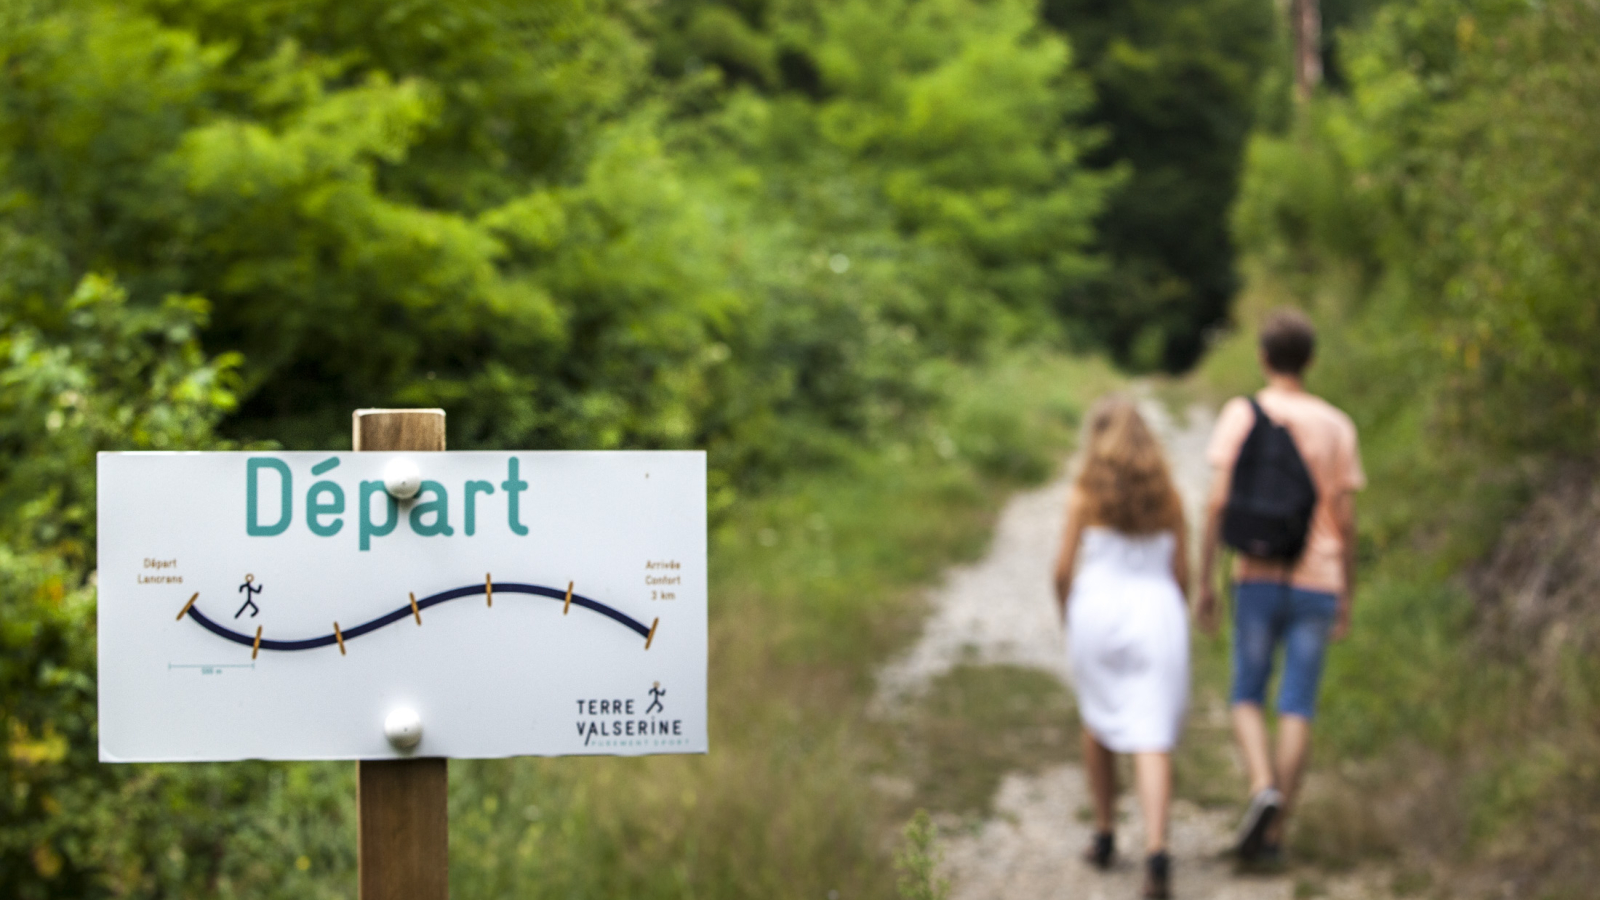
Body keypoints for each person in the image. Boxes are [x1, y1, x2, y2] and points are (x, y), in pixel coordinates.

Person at [1197, 308, 1364, 866]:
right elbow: (1344, 516)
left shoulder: (1241, 414)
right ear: (1310, 360)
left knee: (1246, 693)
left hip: (1256, 574)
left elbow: (1218, 502)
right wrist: (1347, 592)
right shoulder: (1337, 425)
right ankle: (1271, 839)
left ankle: (1261, 787)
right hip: (1319, 578)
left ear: (1263, 358)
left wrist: (1205, 580)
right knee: (1297, 704)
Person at [1054, 397, 1190, 900]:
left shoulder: (1084, 494)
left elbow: (1062, 569)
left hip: (1098, 612)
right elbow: (1181, 573)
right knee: (1152, 733)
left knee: (1098, 717)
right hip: (1156, 613)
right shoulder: (1169, 496)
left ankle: (1106, 832)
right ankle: (1156, 850)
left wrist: (1068, 614)